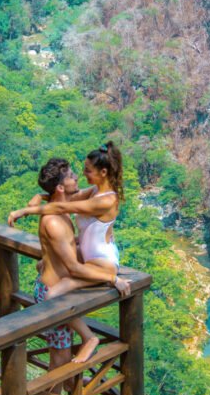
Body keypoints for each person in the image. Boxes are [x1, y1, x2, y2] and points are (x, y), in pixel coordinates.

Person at [13, 156, 127, 395]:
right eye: (73, 176)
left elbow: (49, 198)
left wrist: (29, 206)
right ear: (61, 187)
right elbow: (74, 269)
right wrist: (111, 279)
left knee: (63, 365)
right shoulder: (55, 223)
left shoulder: (58, 206)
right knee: (59, 367)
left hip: (57, 293)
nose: (78, 178)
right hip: (52, 298)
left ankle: (75, 393)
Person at [9, 142, 130, 364]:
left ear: (103, 172)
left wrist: (25, 210)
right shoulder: (94, 192)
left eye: (87, 170)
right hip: (91, 254)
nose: (82, 175)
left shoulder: (105, 200)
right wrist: (40, 195)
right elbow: (62, 199)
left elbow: (63, 206)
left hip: (102, 262)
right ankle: (75, 380)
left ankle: (89, 339)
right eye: (79, 171)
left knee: (52, 296)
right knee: (60, 354)